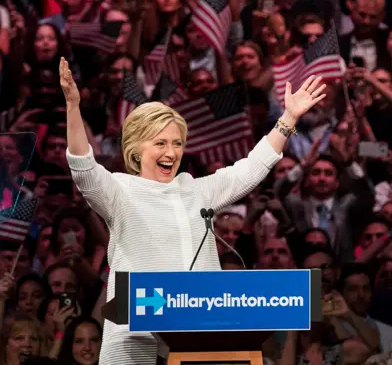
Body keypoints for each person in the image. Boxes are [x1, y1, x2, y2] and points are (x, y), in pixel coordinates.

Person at [57, 57, 326, 365]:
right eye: (160, 143)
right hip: (136, 342)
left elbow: (249, 170)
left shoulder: (195, 190)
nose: (171, 153)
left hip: (200, 335)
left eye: (177, 143)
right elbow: (84, 168)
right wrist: (73, 107)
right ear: (135, 149)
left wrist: (288, 118)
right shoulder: (119, 190)